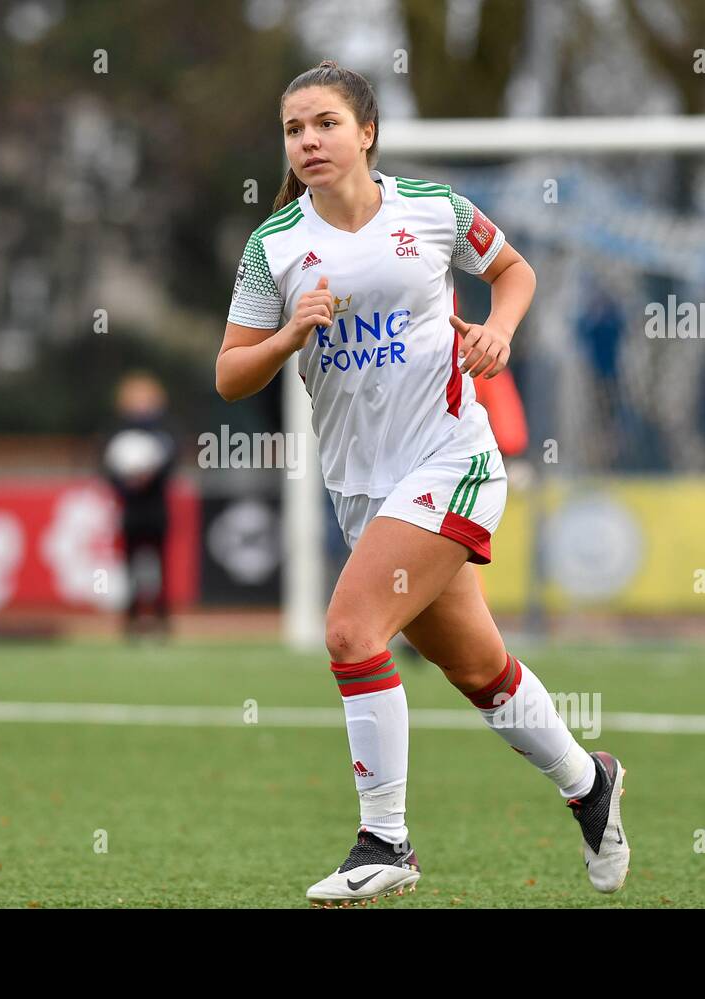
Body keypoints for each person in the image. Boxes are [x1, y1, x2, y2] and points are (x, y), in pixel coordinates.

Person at [216, 61, 629, 906]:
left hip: (454, 461)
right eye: (294, 129)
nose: (308, 141)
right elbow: (229, 375)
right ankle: (591, 783)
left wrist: (500, 333)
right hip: (362, 489)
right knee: (482, 671)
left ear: (366, 132)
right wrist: (290, 334)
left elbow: (513, 272)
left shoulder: (433, 211)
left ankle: (387, 841)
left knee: (349, 629)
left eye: (325, 123)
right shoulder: (274, 248)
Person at [100, 372, 178, 639]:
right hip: (130, 510)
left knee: (159, 566)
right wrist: (127, 484)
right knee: (131, 566)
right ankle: (131, 617)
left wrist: (149, 478)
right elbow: (106, 468)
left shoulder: (165, 431)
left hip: (156, 509)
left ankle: (161, 617)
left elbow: (171, 463)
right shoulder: (117, 432)